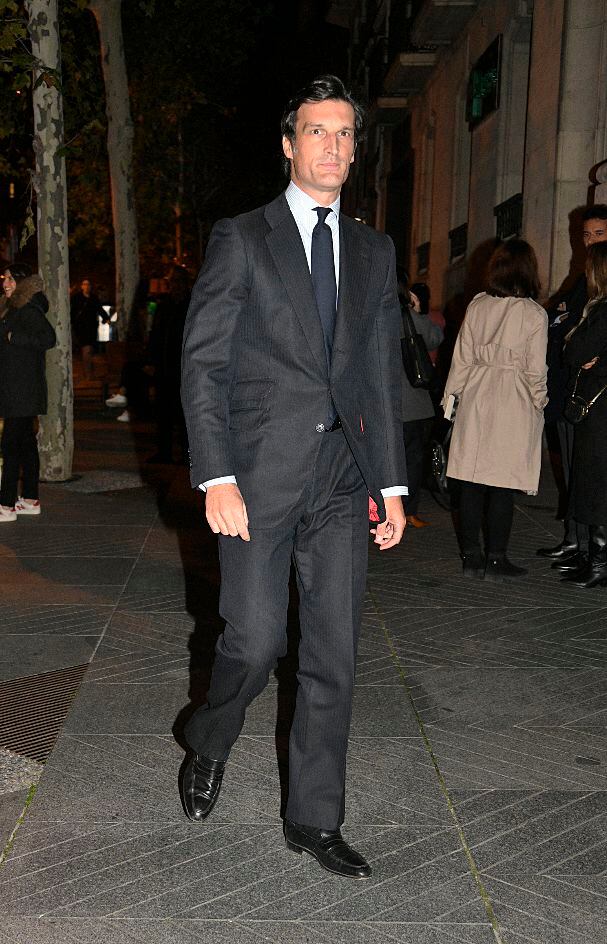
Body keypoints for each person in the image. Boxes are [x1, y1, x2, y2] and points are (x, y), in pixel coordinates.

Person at [179, 75, 407, 879]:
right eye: (317, 131)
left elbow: (379, 373)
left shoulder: (374, 250)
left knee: (333, 656)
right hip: (258, 478)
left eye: (345, 134)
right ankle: (210, 736)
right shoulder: (242, 237)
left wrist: (392, 485)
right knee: (254, 639)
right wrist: (216, 477)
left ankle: (313, 819)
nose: (333, 147)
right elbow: (202, 364)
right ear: (288, 143)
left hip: (343, 483)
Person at [442, 239, 548, 580]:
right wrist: (539, 400)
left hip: (476, 392)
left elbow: (462, 356)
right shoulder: (534, 313)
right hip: (513, 399)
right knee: (502, 483)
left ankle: (471, 557)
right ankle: (496, 558)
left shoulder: (478, 304)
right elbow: (536, 368)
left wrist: (451, 399)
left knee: (471, 481)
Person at [537, 205, 607, 570]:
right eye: (586, 235)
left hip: (593, 398)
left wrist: (571, 335)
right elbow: (557, 319)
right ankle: (576, 542)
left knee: (590, 475)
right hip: (574, 391)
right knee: (577, 472)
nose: (590, 241)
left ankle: (587, 551)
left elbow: (575, 331)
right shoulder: (584, 277)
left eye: (598, 233)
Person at [560, 242, 607, 588]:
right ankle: (595, 558)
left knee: (596, 483)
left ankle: (600, 562)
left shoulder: (603, 309)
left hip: (600, 410)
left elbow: (576, 349)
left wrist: (580, 348)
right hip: (598, 408)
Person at [0, 263, 56, 521]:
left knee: (10, 446)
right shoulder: (13, 309)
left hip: (21, 392)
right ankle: (31, 500)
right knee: (25, 445)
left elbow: (48, 339)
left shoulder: (27, 310)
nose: (5, 283)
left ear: (21, 282)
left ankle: (6, 505)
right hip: (18, 389)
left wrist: (14, 339)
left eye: (10, 279)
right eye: (4, 279)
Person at [398, 275, 443, 528]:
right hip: (414, 405)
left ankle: (377, 511)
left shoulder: (372, 312)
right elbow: (436, 337)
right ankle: (408, 511)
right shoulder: (410, 317)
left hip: (382, 405)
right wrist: (416, 309)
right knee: (412, 460)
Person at [146, 267, 191, 463]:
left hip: (184, 371)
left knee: (184, 417)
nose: (175, 286)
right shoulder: (164, 307)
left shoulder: (191, 305)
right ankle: (164, 452)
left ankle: (186, 455)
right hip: (165, 368)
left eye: (178, 282)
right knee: (163, 414)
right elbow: (155, 335)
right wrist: (151, 361)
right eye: (173, 282)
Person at [70, 278, 106, 380]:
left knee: (89, 350)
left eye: (88, 284)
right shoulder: (76, 298)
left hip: (91, 327)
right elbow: (72, 311)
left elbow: (99, 308)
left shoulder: (94, 298)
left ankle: (89, 372)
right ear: (81, 286)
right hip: (81, 327)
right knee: (87, 348)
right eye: (84, 284)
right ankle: (88, 374)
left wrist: (106, 318)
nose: (86, 286)